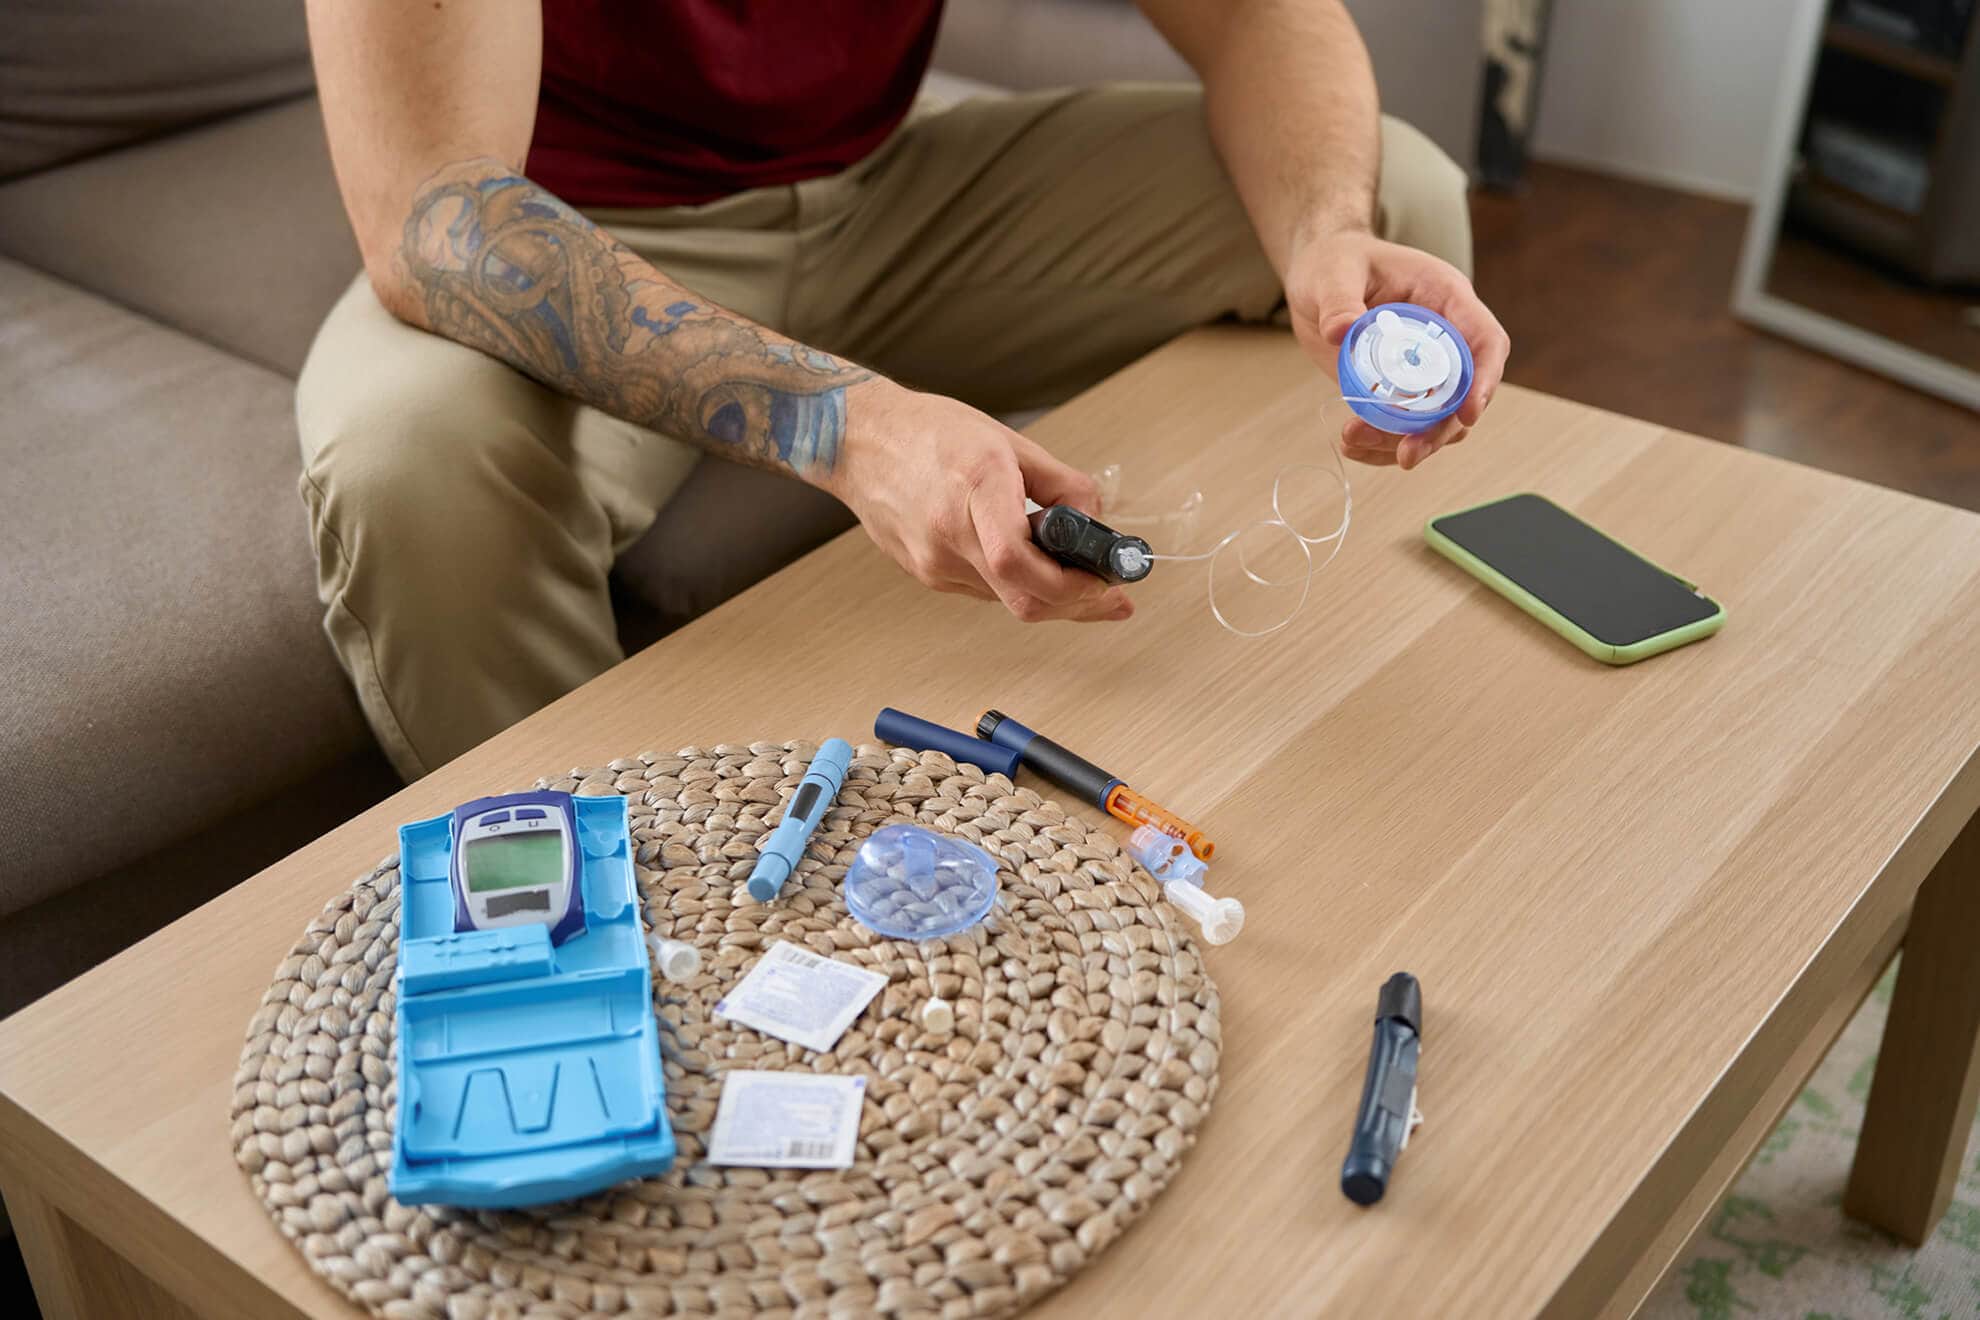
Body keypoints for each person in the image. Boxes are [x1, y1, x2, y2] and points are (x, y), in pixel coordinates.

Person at [300, 1, 1510, 780]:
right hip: (580, 229)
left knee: (1387, 201)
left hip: (886, 193)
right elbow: (435, 215)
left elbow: (1256, 21)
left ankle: (1322, 742)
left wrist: (1322, 237)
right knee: (410, 467)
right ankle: (641, 912)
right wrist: (843, 421)